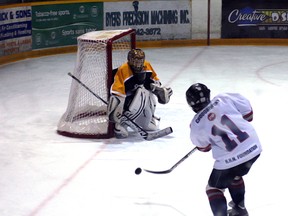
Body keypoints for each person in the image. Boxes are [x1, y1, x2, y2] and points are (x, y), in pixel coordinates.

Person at [185, 83, 262, 216]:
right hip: (253, 147)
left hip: (230, 159)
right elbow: (249, 115)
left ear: (191, 104)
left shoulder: (196, 124)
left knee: (213, 188)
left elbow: (204, 148)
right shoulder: (224, 98)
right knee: (234, 175)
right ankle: (240, 209)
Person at [107, 48, 173, 138]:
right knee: (141, 90)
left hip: (140, 101)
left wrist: (160, 91)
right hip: (127, 103)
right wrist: (117, 113)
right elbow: (117, 94)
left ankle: (149, 118)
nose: (138, 64)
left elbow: (156, 82)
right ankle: (123, 122)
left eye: (140, 61)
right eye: (135, 61)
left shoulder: (147, 65)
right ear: (129, 60)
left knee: (152, 127)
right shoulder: (123, 70)